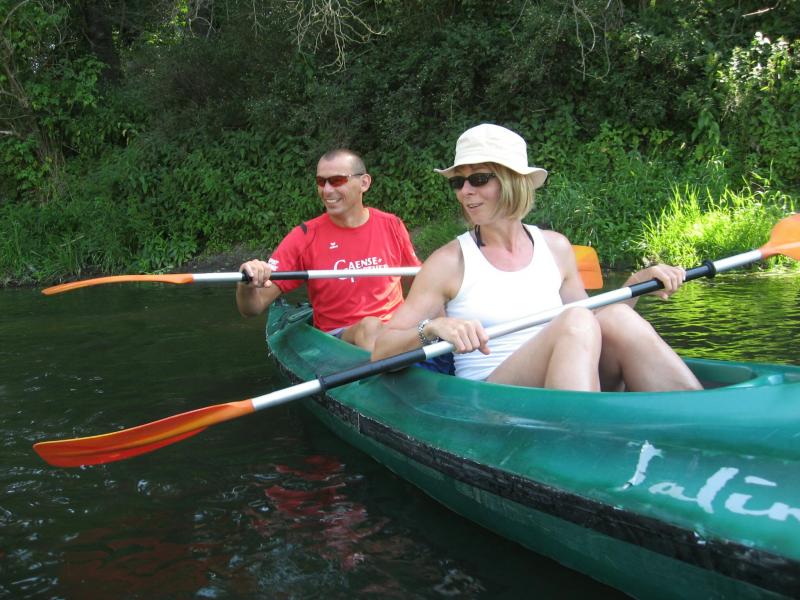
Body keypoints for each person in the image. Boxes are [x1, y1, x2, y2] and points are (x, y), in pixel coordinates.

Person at [372, 124, 702, 392]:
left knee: (616, 316)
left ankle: (698, 416)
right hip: (492, 395)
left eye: (479, 179)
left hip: (564, 376)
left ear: (514, 181)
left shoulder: (556, 248)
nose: (465, 191)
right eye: (458, 182)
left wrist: (636, 283)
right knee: (574, 320)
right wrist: (432, 328)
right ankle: (582, 438)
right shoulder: (449, 262)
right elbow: (382, 350)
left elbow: (595, 324)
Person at [237, 148, 420, 352]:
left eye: (337, 180)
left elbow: (421, 284)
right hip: (339, 339)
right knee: (369, 327)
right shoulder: (304, 237)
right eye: (321, 181)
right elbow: (252, 308)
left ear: (364, 183)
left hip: (395, 329)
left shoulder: (392, 225)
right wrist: (247, 282)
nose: (326, 190)